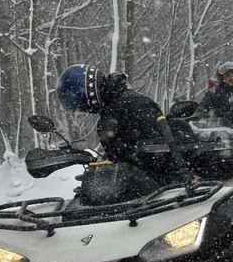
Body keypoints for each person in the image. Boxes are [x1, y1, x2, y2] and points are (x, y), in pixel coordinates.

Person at [56, 64, 190, 186]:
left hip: (160, 188)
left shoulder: (128, 106)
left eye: (82, 107)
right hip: (145, 187)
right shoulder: (115, 109)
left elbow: (154, 153)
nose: (85, 111)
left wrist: (127, 166)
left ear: (86, 96)